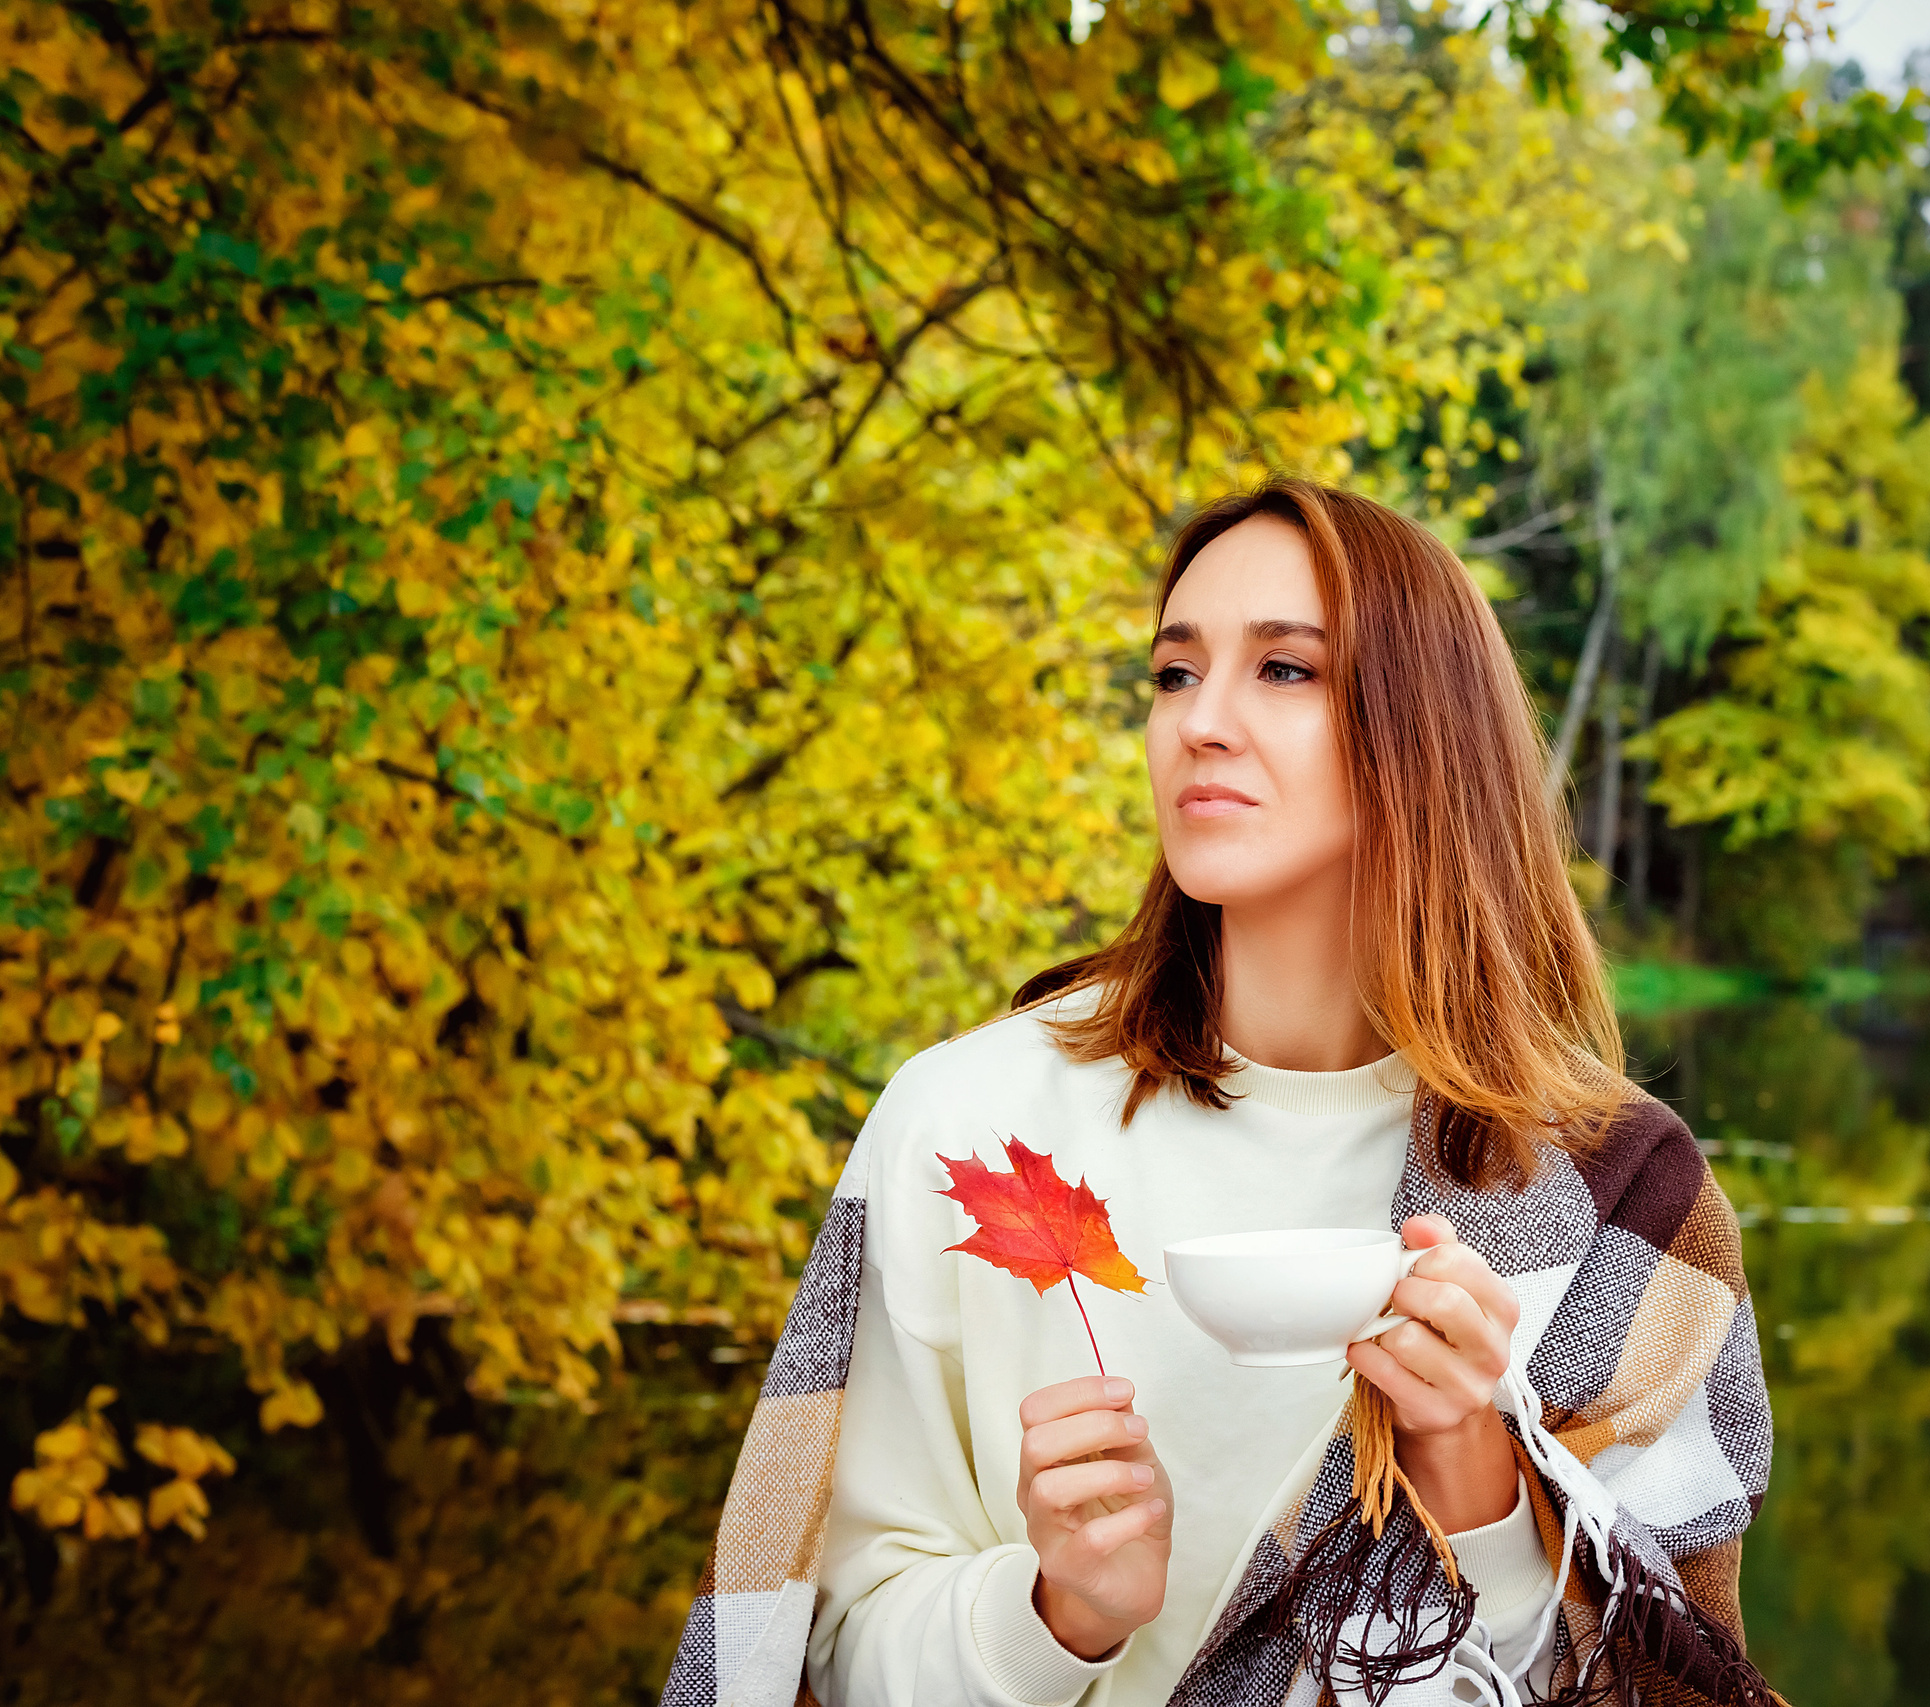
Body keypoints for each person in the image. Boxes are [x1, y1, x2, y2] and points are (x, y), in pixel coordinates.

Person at [659, 479, 1776, 1707]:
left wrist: (1478, 1489)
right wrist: (1057, 1614)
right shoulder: (965, 1122)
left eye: (1284, 670)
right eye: (1174, 673)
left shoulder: (1610, 1184)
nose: (1199, 722)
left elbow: (1671, 1686)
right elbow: (809, 1654)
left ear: (1426, 729)